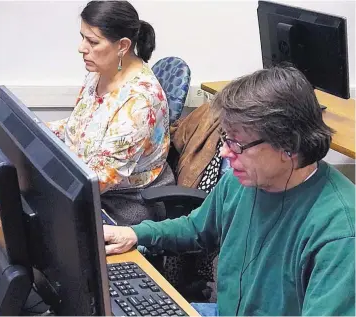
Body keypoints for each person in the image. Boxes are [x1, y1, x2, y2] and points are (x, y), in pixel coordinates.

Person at [103, 66, 355, 316]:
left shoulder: (340, 232)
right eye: (226, 139)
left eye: (237, 143)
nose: (225, 152)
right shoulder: (243, 181)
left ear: (288, 144)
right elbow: (196, 228)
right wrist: (134, 233)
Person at [0, 1, 173, 224]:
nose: (82, 48)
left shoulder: (140, 101)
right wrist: (22, 130)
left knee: (26, 222)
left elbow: (101, 178)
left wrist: (30, 176)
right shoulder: (101, 70)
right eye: (82, 37)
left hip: (124, 200)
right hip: (88, 177)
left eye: (92, 41)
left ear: (122, 46)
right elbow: (80, 125)